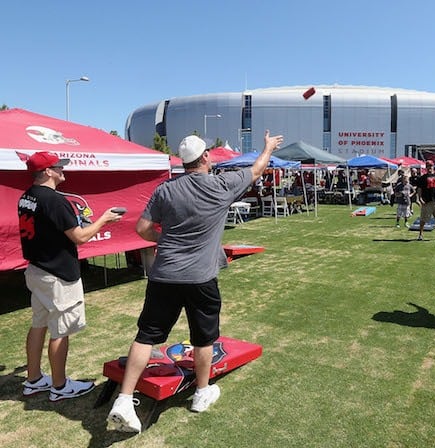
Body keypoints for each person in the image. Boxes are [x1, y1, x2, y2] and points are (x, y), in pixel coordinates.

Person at [107, 131, 284, 433]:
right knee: (203, 337)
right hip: (201, 278)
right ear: (204, 158)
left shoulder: (166, 190)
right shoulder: (221, 185)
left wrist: (163, 238)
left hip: (164, 276)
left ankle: (124, 399)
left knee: (146, 336)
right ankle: (201, 393)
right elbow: (256, 171)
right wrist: (267, 147)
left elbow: (142, 228)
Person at [17, 151, 122, 401]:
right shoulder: (53, 200)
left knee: (39, 324)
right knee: (60, 330)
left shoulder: (26, 196)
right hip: (57, 275)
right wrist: (104, 220)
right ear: (46, 172)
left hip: (37, 271)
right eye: (58, 167)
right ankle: (60, 386)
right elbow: (80, 237)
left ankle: (33, 380)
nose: (63, 170)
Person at [416, 160, 435, 241]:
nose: (430, 167)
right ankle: (420, 234)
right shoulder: (422, 178)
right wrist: (420, 199)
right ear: (426, 167)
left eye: (431, 166)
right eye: (428, 166)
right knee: (423, 219)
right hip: (427, 201)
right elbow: (419, 189)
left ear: (433, 166)